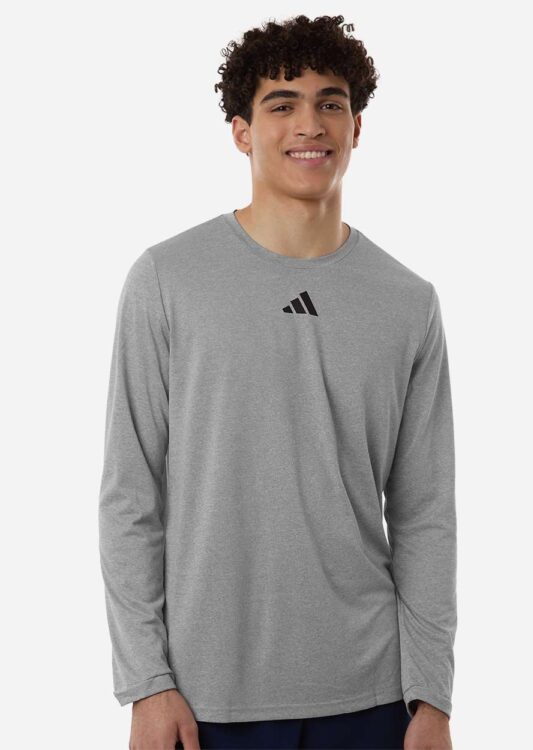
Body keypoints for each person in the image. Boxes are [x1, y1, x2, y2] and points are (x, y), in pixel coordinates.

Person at [98, 14, 457, 750]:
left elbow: (425, 513)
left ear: (357, 128)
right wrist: (146, 682)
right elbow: (130, 496)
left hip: (375, 695)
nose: (309, 124)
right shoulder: (167, 279)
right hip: (205, 697)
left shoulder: (408, 301)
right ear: (242, 132)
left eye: (331, 103)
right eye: (282, 104)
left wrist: (433, 696)